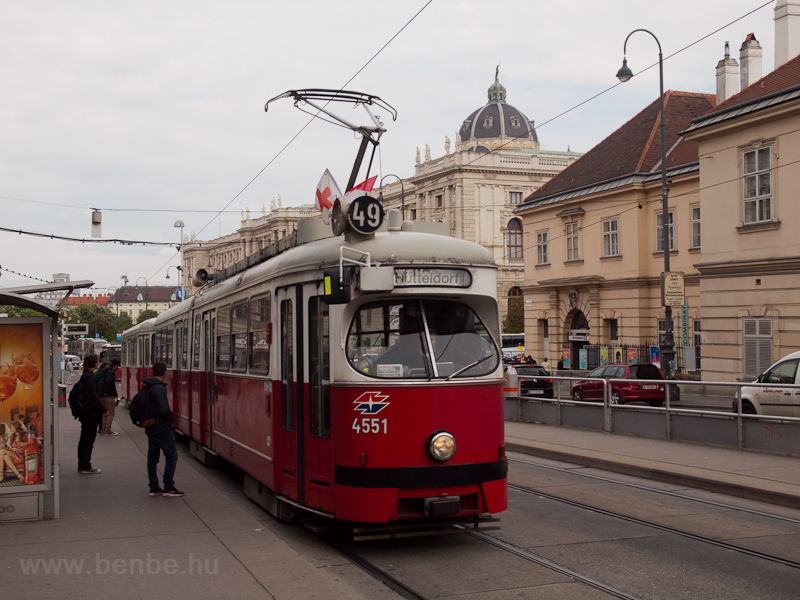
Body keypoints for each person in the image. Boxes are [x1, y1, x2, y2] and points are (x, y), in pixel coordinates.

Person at [143, 361, 183, 497]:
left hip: (151, 426)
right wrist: (171, 416)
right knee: (171, 455)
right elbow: (163, 409)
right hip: (161, 427)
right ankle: (169, 486)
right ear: (165, 373)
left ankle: (154, 486)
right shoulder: (159, 388)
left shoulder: (147, 386)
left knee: (153, 457)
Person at [77, 354, 108, 474]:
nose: (98, 363)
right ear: (94, 364)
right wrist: (103, 408)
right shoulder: (89, 376)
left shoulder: (86, 375)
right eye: (97, 361)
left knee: (84, 438)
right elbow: (94, 394)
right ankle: (85, 464)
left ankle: (82, 463)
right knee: (88, 439)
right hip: (90, 412)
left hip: (86, 412)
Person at [98, 360, 119, 436]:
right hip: (108, 396)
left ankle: (103, 430)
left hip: (101, 396)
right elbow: (109, 382)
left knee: (104, 413)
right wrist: (106, 391)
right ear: (116, 365)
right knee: (110, 413)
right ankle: (107, 430)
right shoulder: (111, 372)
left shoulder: (103, 370)